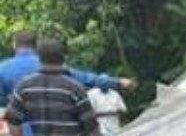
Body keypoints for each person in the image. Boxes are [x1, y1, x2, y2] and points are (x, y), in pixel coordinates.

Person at [4, 38, 101, 136]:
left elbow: (13, 122)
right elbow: (92, 128)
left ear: (39, 57)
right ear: (63, 57)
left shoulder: (24, 86)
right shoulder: (75, 87)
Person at [0, 30, 135, 106]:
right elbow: (86, 78)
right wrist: (118, 82)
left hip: (19, 131)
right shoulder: (50, 64)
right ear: (36, 45)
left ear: (14, 45)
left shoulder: (3, 69)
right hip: (57, 129)